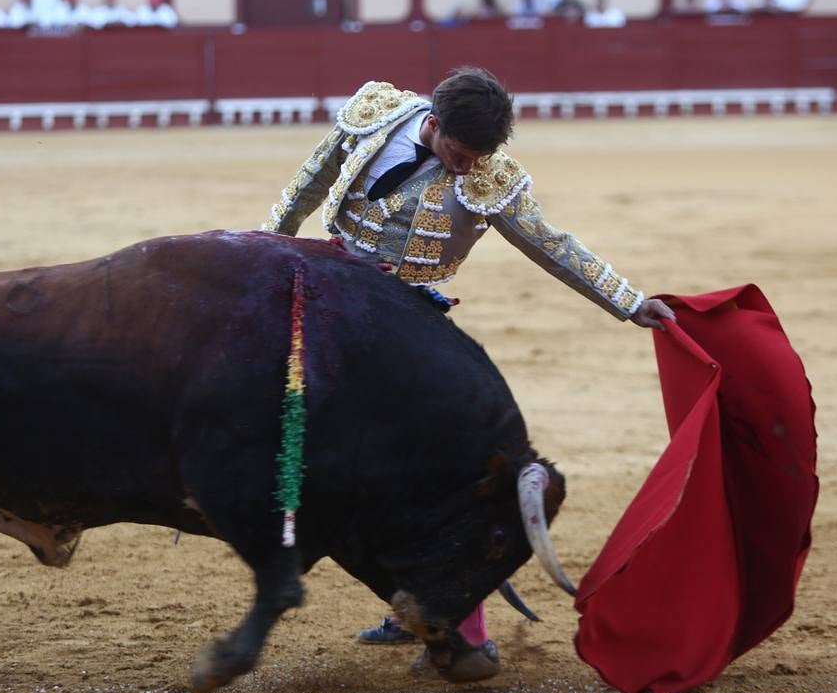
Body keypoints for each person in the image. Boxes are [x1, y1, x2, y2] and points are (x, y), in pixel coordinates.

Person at [261, 68, 676, 660]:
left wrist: (628, 301)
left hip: (406, 322)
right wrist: (264, 252)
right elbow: (308, 185)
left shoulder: (487, 177)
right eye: (459, 152)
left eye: (479, 156)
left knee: (434, 472)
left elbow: (551, 244)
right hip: (328, 290)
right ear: (433, 125)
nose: (467, 167)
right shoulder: (375, 114)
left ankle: (459, 624)